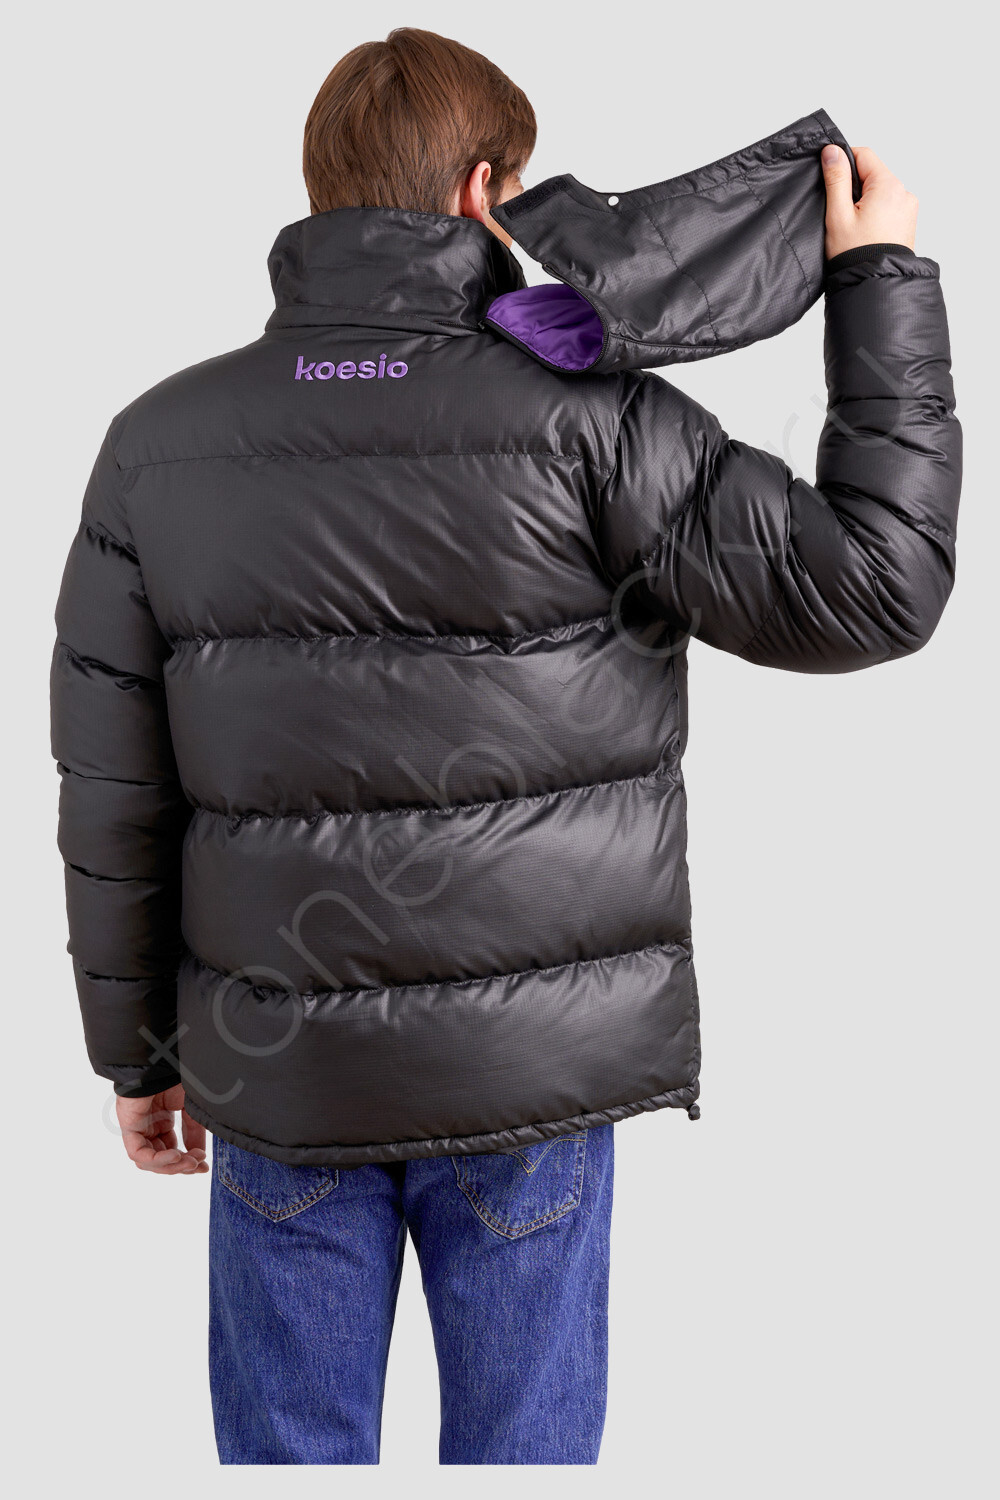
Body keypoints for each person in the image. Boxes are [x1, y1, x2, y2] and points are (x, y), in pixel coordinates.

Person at [50, 27, 960, 1467]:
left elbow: (114, 793)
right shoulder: (596, 424)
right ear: (488, 194)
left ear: (321, 191)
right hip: (528, 1079)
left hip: (279, 1073)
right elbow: (875, 584)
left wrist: (135, 1055)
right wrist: (879, 280)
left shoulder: (155, 444)